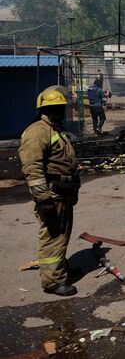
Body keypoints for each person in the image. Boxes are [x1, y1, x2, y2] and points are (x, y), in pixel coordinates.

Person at [18, 86, 80, 297]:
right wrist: (43, 198)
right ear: (43, 109)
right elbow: (32, 168)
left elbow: (66, 162)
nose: (59, 112)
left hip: (64, 193)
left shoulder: (56, 131)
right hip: (52, 195)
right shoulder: (37, 131)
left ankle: (60, 271)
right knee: (53, 236)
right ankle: (53, 282)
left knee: (62, 235)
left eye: (61, 107)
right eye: (54, 108)